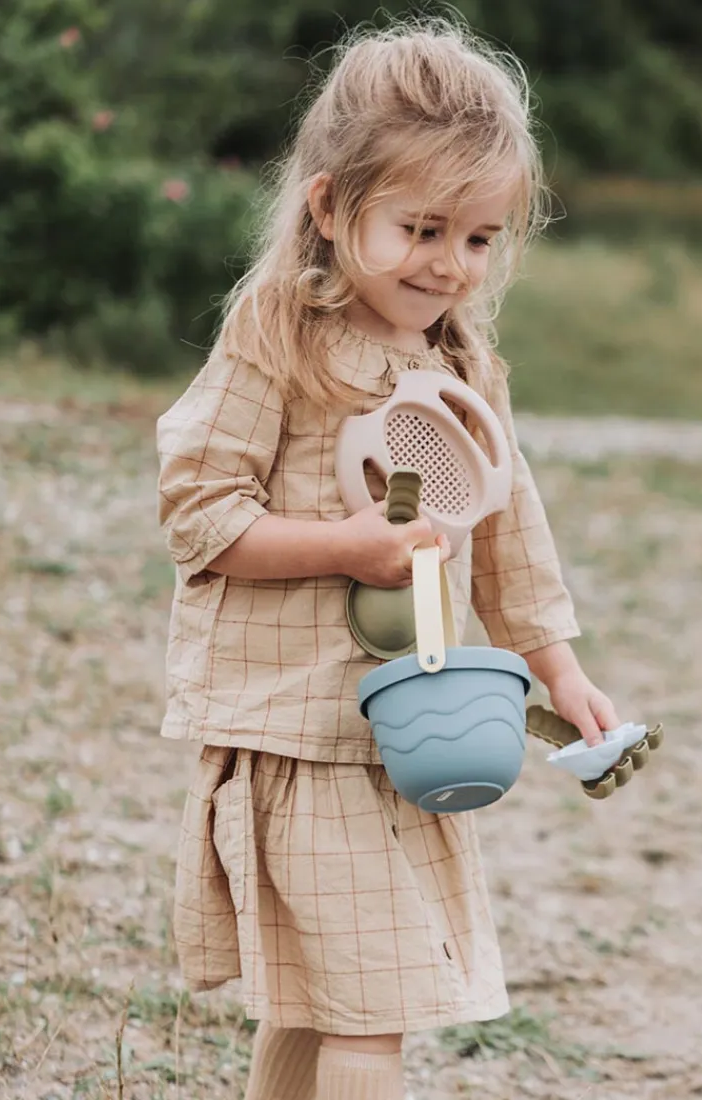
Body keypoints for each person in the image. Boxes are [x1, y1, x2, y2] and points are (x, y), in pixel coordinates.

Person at [156, 17, 620, 1100]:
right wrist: (347, 546)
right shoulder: (279, 332)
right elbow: (197, 510)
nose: (450, 265)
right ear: (328, 205)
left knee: (326, 1001)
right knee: (375, 1011)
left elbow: (511, 536)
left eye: (478, 238)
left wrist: (562, 674)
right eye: (420, 227)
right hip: (301, 728)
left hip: (405, 730)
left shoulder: (465, 363)